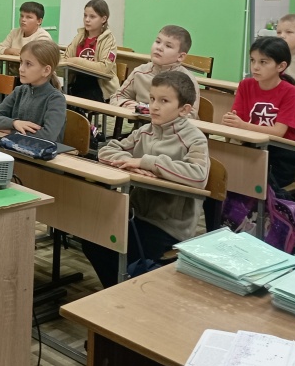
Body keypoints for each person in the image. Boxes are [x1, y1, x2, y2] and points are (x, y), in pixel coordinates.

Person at [81, 72, 209, 288]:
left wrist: (147, 162)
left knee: (116, 248)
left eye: (164, 101)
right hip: (136, 215)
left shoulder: (194, 139)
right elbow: (107, 150)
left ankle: (126, 293)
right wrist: (130, 162)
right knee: (93, 240)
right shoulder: (146, 131)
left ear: (184, 109)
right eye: (151, 99)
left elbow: (198, 176)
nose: (154, 106)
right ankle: (119, 292)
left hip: (168, 226)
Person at [222, 36, 295, 199]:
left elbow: (279, 132)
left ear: (281, 66)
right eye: (253, 60)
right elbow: (237, 120)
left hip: (280, 154)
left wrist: (242, 125)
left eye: (263, 62)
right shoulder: (245, 85)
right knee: (224, 175)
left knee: (252, 183)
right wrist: (230, 121)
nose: (255, 67)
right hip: (251, 147)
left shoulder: (290, 92)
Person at [109, 25, 199, 117]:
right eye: (158, 41)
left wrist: (147, 110)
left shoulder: (186, 80)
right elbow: (117, 97)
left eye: (168, 46)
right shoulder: (140, 72)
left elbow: (190, 114)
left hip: (172, 126)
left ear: (180, 56)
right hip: (141, 125)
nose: (159, 48)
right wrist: (126, 104)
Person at [0, 40, 66, 143]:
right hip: (17, 147)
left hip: (44, 151)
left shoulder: (56, 99)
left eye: (28, 64)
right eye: (21, 62)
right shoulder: (19, 91)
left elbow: (48, 136)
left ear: (46, 70)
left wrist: (13, 132)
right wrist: (15, 123)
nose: (21, 69)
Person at [63, 0, 119, 101]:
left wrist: (76, 61)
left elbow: (104, 68)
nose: (87, 20)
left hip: (99, 87)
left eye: (92, 17)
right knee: (55, 95)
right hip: (77, 83)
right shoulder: (80, 36)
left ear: (103, 19)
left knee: (75, 99)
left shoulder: (109, 40)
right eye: (85, 16)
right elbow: (65, 58)